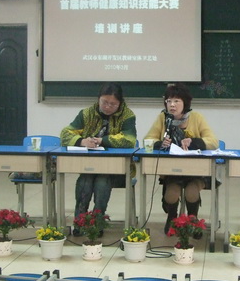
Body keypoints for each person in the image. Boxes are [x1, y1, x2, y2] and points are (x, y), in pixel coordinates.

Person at [144, 83, 218, 234]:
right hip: (172, 170)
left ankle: (192, 220)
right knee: (171, 194)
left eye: (176, 101)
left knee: (191, 192)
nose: (172, 105)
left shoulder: (196, 117)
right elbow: (147, 140)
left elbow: (213, 142)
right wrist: (159, 144)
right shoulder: (163, 118)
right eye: (169, 101)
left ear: (185, 103)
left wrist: (194, 142)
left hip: (196, 171)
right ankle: (172, 218)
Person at [60, 83, 137, 222]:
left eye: (113, 104)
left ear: (120, 103)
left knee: (102, 181)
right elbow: (65, 134)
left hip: (116, 169)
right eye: (104, 102)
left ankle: (97, 220)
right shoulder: (87, 113)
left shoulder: (127, 116)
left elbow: (129, 140)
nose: (107, 107)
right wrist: (82, 141)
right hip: (90, 166)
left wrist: (102, 141)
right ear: (98, 99)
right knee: (85, 180)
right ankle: (80, 220)